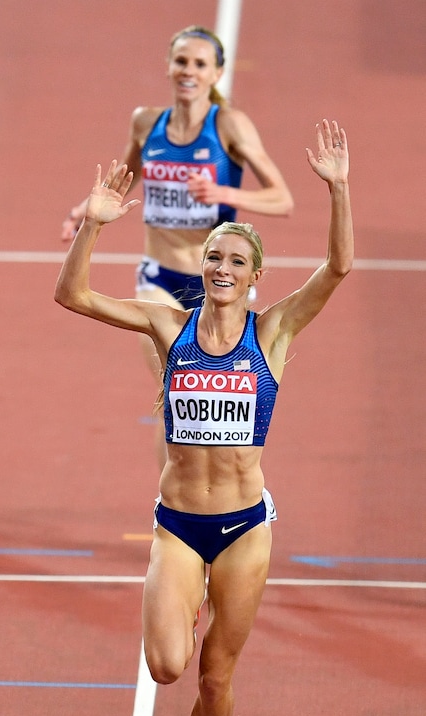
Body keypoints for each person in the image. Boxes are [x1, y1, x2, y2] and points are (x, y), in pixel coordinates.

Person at [55, 119, 352, 716]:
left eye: (233, 260)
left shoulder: (273, 333)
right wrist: (90, 227)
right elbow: (75, 298)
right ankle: (179, 599)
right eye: (212, 256)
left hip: (246, 528)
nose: (219, 266)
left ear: (254, 278)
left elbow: (338, 269)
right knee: (165, 666)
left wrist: (339, 189)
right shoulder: (168, 327)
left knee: (215, 677)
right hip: (180, 522)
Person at [61, 25, 293, 470]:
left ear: (217, 73)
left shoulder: (227, 126)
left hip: (218, 283)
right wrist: (81, 211)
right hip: (159, 278)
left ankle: (225, 482)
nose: (189, 71)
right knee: (175, 386)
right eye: (182, 61)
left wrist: (224, 197)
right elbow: (127, 170)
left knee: (207, 397)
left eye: (200, 64)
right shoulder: (146, 122)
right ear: (169, 66)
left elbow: (282, 198)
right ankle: (173, 500)